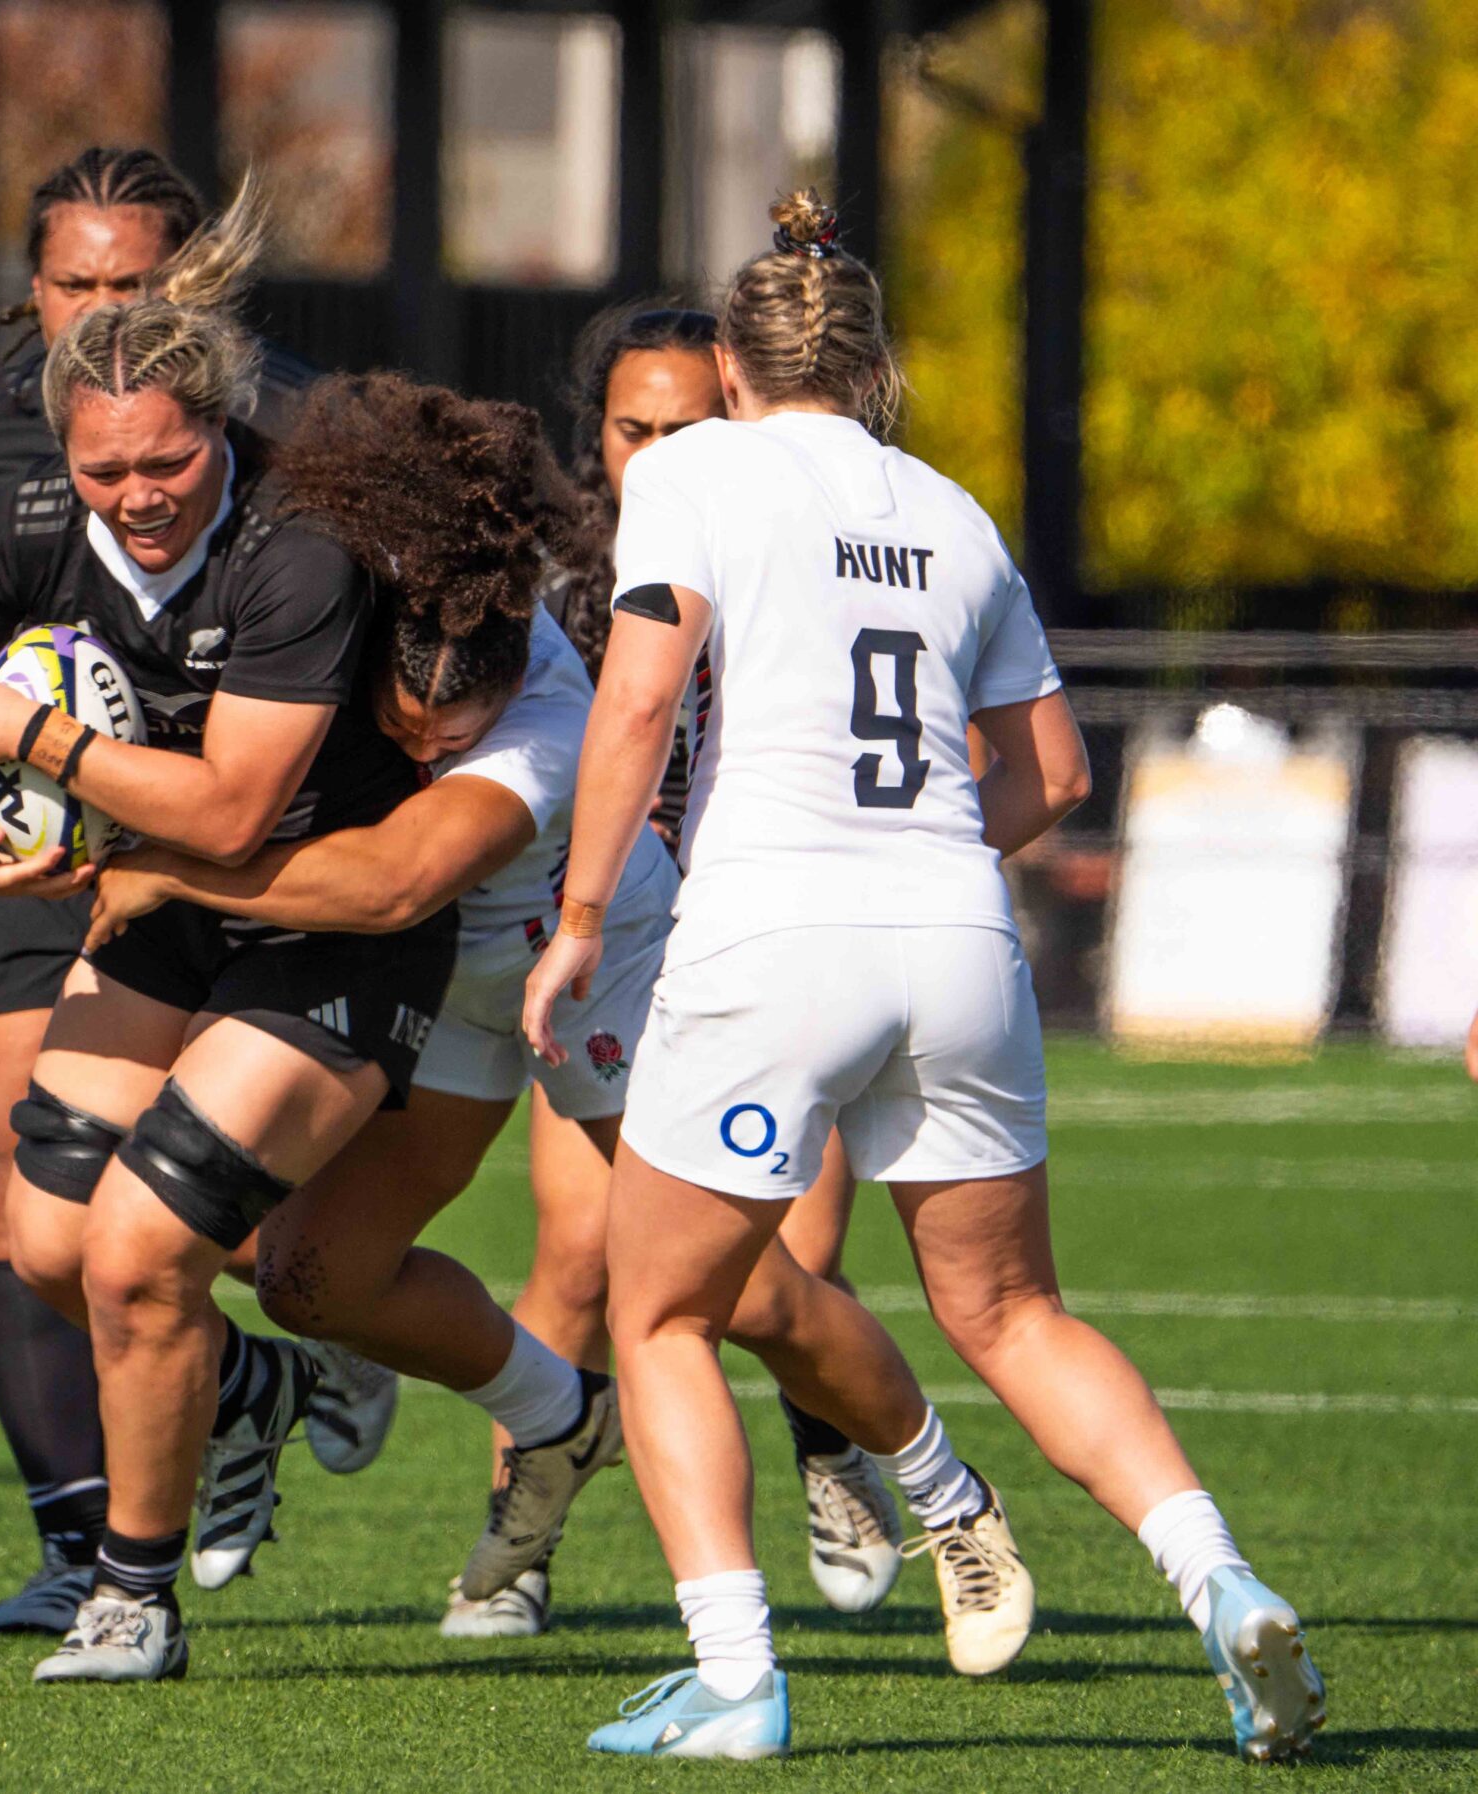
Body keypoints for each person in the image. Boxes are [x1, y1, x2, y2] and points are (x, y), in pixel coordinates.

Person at [526, 190, 1325, 1761]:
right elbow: (1054, 773)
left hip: (772, 936)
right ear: (874, 369)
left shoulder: (694, 469)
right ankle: (1222, 1583)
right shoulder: (955, 512)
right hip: (961, 937)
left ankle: (739, 1675)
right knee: (1016, 1309)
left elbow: (634, 706)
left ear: (737, 372)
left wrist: (575, 919)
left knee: (664, 1311)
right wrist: (937, 848)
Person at [88, 373, 1008, 1657]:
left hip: (603, 968)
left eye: (443, 748)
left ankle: (945, 1494)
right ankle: (563, 1416)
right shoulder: (358, 620)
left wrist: (163, 862)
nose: (422, 758)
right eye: (403, 739)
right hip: (449, 988)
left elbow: (398, 873)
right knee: (308, 1277)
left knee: (735, 1296)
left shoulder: (544, 718)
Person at [0, 192, 446, 1685]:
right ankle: (246, 1384)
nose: (137, 493)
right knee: (42, 1233)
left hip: (325, 916)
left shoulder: (296, 540)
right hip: (164, 904)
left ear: (225, 427)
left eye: (169, 459)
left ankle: (130, 1596)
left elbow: (243, 806)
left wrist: (40, 737)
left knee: (138, 1248)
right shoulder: (29, 521)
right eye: (103, 464)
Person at [0, 146, 336, 1636]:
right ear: (31, 287)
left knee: (163, 1228)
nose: (103, 303)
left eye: (136, 279)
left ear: (192, 289)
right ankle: (80, 1531)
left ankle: (214, 1406)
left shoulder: (268, 446)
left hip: (240, 848)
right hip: (55, 843)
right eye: (76, 279)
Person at [523, 302, 894, 1632]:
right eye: (635, 429)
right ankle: (520, 1535)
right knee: (579, 1249)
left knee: (795, 1248)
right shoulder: (558, 572)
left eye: (689, 425)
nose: (660, 451)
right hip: (611, 941)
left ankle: (841, 1451)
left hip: (765, 935)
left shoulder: (790, 548)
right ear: (599, 436)